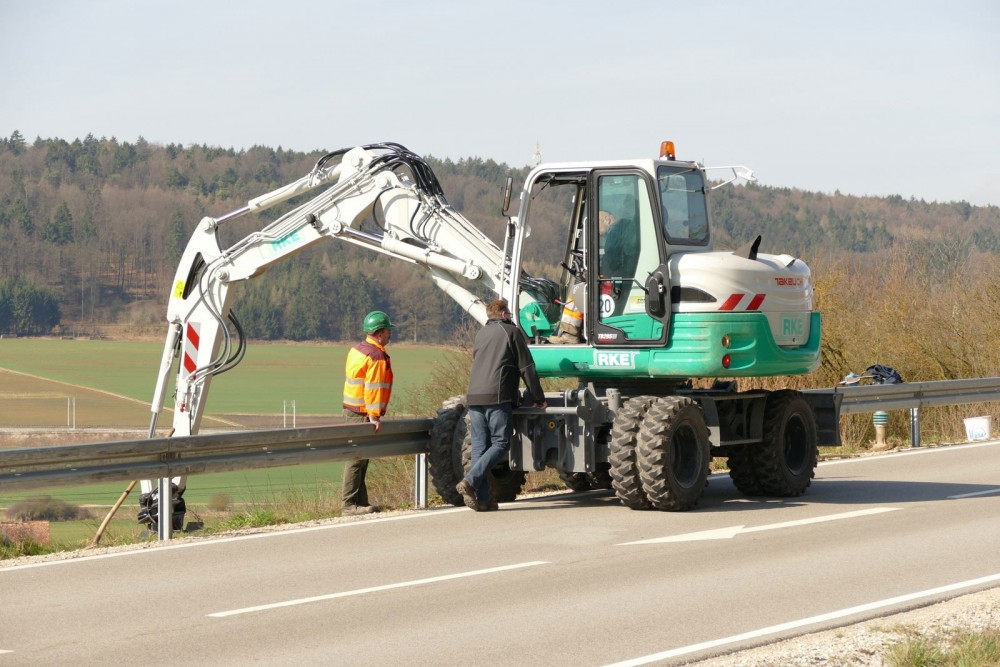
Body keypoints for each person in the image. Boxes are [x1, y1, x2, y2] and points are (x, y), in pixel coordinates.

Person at [456, 298, 547, 512]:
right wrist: (538, 397)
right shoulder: (511, 332)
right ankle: (469, 481)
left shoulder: (481, 334)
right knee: (500, 444)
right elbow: (527, 367)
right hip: (497, 396)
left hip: (474, 397)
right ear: (505, 313)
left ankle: (483, 498)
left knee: (480, 448)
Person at [341, 310, 395, 516]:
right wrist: (374, 416)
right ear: (379, 333)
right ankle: (349, 505)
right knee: (356, 458)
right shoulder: (376, 355)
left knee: (361, 458)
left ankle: (360, 502)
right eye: (388, 330)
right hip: (363, 412)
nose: (390, 334)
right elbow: (373, 388)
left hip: (351, 409)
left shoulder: (358, 349)